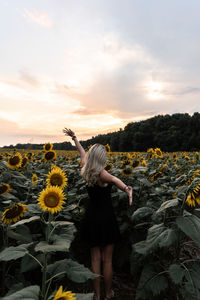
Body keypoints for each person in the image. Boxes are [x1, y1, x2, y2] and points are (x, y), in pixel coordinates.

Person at [63, 128, 133, 300]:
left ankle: (96, 295)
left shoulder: (86, 168)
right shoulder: (103, 173)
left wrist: (75, 139)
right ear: (102, 158)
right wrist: (127, 189)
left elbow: (81, 152)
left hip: (92, 218)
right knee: (107, 260)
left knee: (95, 260)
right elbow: (117, 181)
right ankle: (108, 294)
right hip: (106, 219)